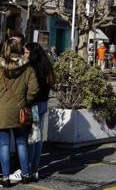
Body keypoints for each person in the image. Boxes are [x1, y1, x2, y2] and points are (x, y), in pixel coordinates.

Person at [0, 38, 38, 186]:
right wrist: (24, 101)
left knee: (3, 145)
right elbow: (34, 88)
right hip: (21, 111)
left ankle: (5, 177)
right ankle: (26, 174)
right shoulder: (27, 67)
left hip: (1, 111)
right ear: (19, 49)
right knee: (21, 142)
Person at [23, 42, 55, 182]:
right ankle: (34, 168)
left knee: (33, 138)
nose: (24, 55)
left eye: (26, 52)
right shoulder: (46, 66)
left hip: (35, 105)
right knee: (38, 137)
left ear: (33, 54)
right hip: (43, 104)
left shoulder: (33, 68)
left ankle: (30, 168)